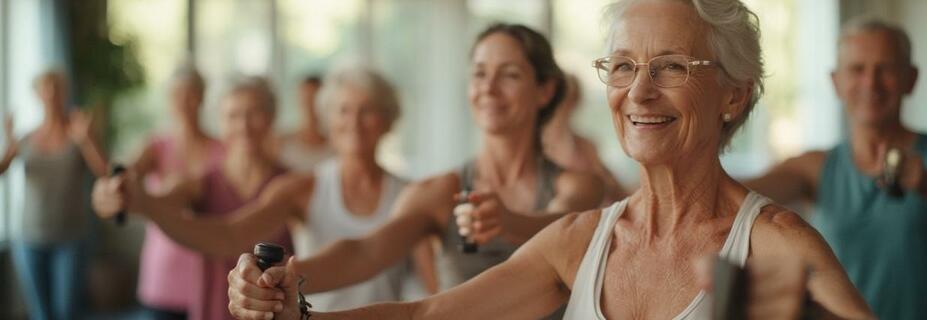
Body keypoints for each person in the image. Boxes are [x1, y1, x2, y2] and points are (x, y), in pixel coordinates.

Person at [225, 1, 876, 319]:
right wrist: (299, 313)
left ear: (734, 93)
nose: (639, 91)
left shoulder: (778, 244)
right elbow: (428, 315)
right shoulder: (582, 240)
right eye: (622, 67)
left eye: (671, 66)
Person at [223, 23, 607, 319]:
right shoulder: (439, 192)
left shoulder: (578, 185)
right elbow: (364, 252)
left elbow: (566, 226)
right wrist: (277, 279)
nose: (488, 87)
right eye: (478, 73)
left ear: (544, 90)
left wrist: (510, 222)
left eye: (509, 74)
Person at [94, 67, 413, 312]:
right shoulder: (212, 181)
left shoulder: (295, 185)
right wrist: (135, 201)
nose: (244, 125)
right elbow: (221, 229)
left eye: (254, 114)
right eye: (234, 115)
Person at [746, 17, 927, 319]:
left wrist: (925, 180)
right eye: (857, 69)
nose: (870, 83)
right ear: (836, 82)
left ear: (910, 79)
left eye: (885, 69)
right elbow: (739, 191)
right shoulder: (814, 167)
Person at [0, 70, 108, 320]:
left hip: (71, 239)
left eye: (56, 86)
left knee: (66, 312)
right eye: (45, 87)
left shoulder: (78, 134)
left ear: (64, 92)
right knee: (41, 314)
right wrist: (8, 141)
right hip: (29, 238)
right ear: (37, 94)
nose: (51, 93)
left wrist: (87, 140)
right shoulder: (25, 139)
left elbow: (105, 172)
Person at [127, 64, 225, 320]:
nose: (184, 101)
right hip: (162, 274)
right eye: (177, 94)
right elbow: (127, 174)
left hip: (209, 272)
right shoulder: (156, 146)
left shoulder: (222, 150)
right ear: (169, 100)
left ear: (202, 97)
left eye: (191, 93)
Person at [542, 73, 629, 203]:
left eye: (572, 100)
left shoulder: (585, 145)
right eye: (563, 100)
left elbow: (613, 188)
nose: (566, 106)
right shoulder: (535, 146)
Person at [275, 75, 332, 172]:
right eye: (305, 98)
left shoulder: (335, 146)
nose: (308, 104)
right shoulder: (280, 143)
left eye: (313, 98)